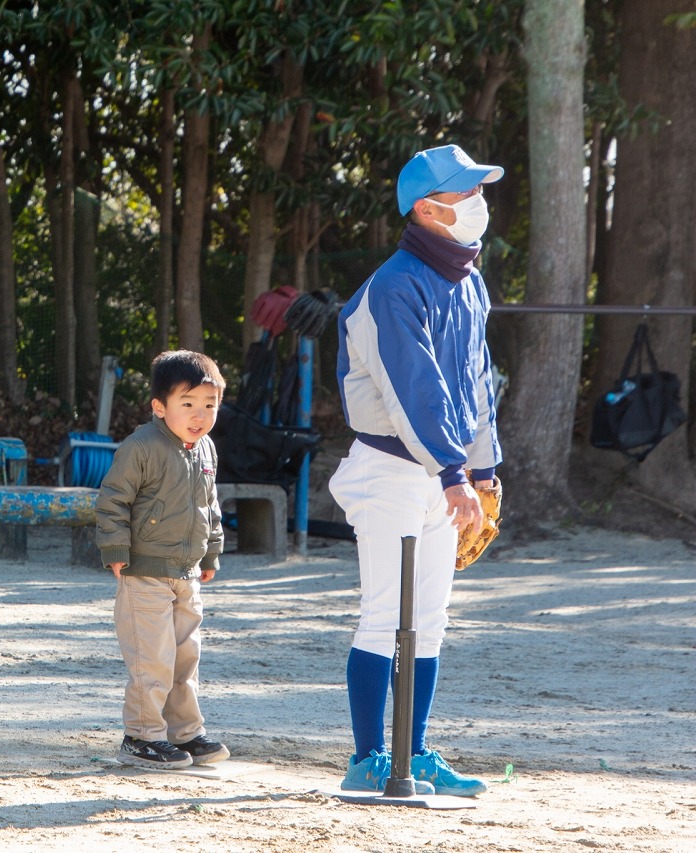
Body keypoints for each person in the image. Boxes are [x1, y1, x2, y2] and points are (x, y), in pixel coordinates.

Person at [329, 144, 503, 796]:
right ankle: (368, 758)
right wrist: (454, 470)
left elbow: (476, 384)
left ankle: (416, 750)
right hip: (391, 470)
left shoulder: (470, 281)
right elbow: (415, 390)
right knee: (384, 614)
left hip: (443, 473)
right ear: (427, 209)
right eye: (466, 194)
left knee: (429, 619)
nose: (478, 204)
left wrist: (485, 470)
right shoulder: (392, 287)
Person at [95, 350, 230, 770]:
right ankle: (141, 736)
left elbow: (210, 505)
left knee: (185, 658)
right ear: (159, 407)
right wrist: (115, 548)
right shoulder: (142, 447)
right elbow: (113, 500)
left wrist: (211, 549)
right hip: (144, 572)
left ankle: (184, 732)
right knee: (152, 659)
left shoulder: (205, 449)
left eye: (209, 405)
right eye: (187, 404)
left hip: (186, 574)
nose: (199, 415)